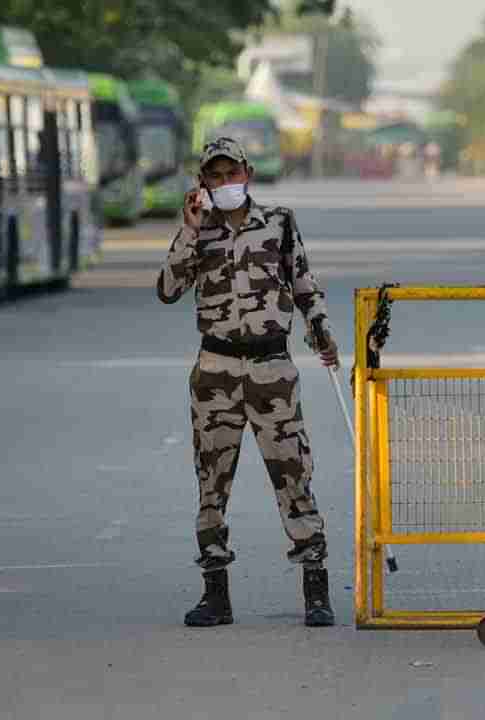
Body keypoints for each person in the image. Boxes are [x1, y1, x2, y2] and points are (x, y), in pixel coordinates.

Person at [158, 137, 339, 628]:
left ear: (248, 173)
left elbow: (304, 283)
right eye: (213, 177)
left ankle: (316, 590)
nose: (224, 183)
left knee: (294, 475)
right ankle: (215, 594)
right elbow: (168, 290)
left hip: (272, 369)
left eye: (231, 174)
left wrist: (320, 329)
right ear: (202, 183)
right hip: (216, 369)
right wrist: (189, 231)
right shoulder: (200, 232)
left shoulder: (278, 222)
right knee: (211, 482)